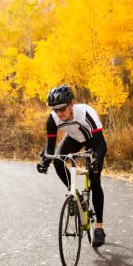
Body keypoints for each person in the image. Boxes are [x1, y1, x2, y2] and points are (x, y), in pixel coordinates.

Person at [36, 84, 107, 248]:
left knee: (95, 181)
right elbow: (50, 150)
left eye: (62, 109)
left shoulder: (86, 113)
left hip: (93, 141)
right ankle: (75, 196)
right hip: (73, 139)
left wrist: (96, 159)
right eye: (55, 110)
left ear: (71, 105)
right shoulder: (52, 120)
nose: (59, 113)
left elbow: (101, 144)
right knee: (58, 160)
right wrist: (44, 161)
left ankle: (99, 229)